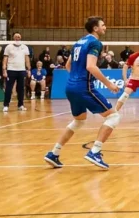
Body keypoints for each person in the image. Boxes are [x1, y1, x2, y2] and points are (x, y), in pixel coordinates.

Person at [43, 17, 122, 170]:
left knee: (79, 121)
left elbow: (68, 65)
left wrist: (75, 78)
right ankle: (95, 151)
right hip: (83, 87)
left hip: (71, 86)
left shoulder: (78, 43)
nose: (105, 27)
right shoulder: (95, 43)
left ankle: (54, 153)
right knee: (114, 116)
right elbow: (91, 67)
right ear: (95, 28)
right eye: (103, 25)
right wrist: (109, 84)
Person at [1, 32, 31, 113]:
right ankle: (6, 105)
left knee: (21, 89)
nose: (17, 37)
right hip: (11, 70)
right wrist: (4, 70)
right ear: (13, 38)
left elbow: (27, 59)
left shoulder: (25, 47)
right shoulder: (8, 47)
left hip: (21, 70)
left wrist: (29, 70)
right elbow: (5, 59)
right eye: (16, 36)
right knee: (8, 88)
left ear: (20, 37)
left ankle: (20, 105)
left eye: (19, 36)